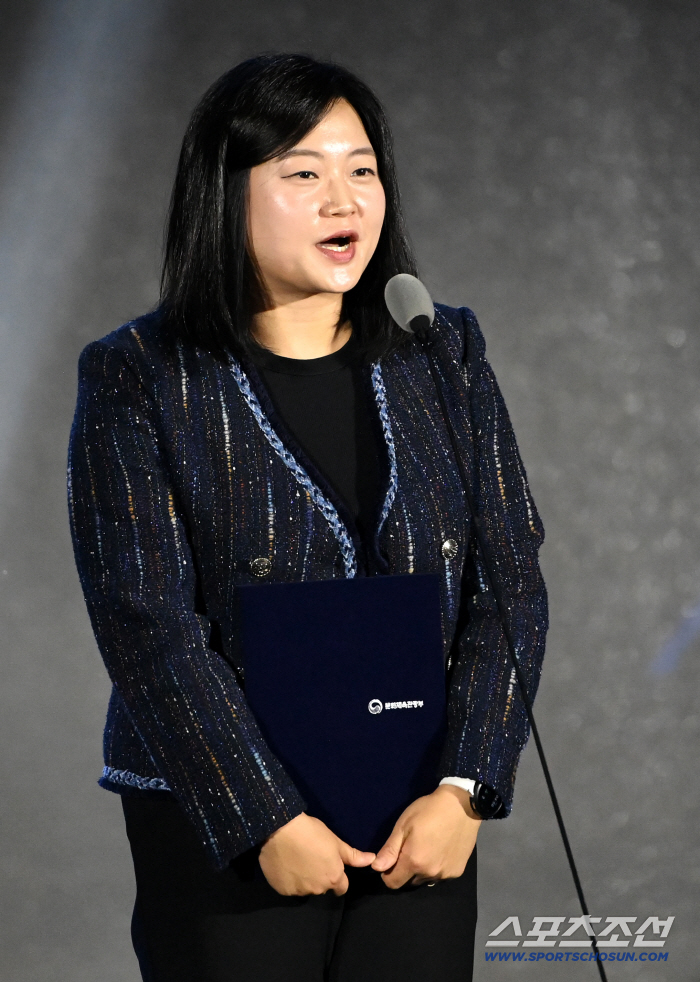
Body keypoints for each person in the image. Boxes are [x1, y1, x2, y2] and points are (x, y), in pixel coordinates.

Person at [67, 53, 548, 982]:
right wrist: (266, 817)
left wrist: (466, 790)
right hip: (223, 825)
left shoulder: (441, 351)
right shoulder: (141, 374)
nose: (344, 199)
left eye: (362, 169)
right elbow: (145, 621)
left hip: (418, 815)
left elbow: (511, 586)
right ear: (225, 194)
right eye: (303, 172)